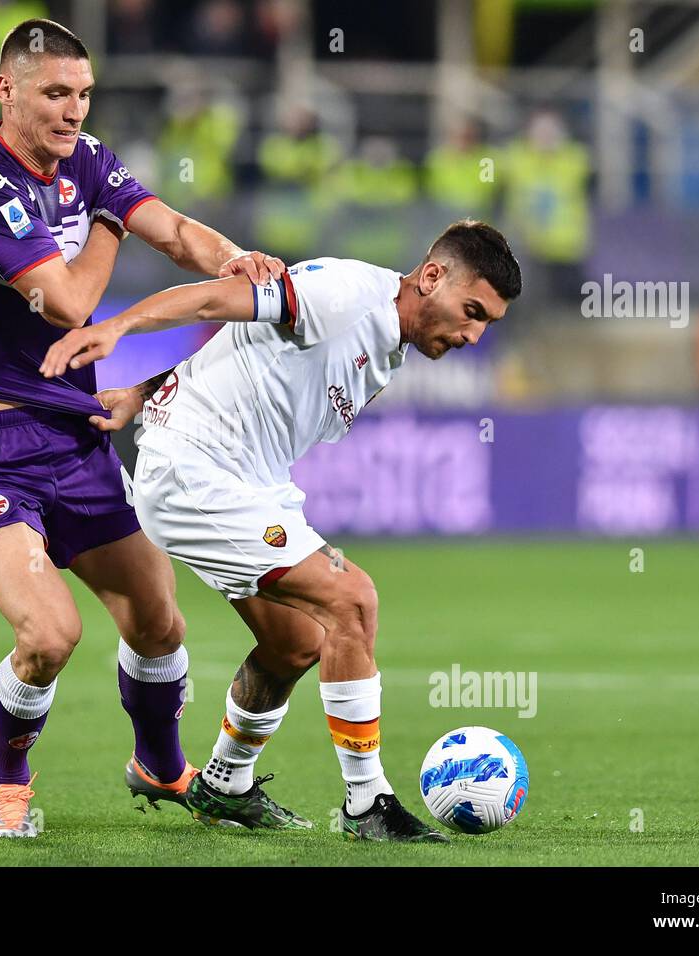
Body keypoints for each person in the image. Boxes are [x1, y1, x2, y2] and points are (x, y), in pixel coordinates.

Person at [0, 18, 285, 838]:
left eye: (83, 94)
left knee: (159, 621)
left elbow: (182, 233)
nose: (74, 110)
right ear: (6, 90)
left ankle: (161, 766)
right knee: (50, 634)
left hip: (74, 441)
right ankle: (6, 785)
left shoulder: (86, 161)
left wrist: (239, 262)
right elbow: (69, 303)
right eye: (55, 92)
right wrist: (115, 220)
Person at [39, 219, 522, 841]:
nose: (474, 334)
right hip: (197, 470)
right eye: (472, 311)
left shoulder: (389, 344)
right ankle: (366, 803)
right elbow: (218, 299)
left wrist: (142, 390)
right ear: (431, 277)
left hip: (246, 481)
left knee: (296, 642)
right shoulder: (346, 294)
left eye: (488, 324)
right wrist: (117, 328)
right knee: (352, 598)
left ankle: (223, 783)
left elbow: (241, 354)